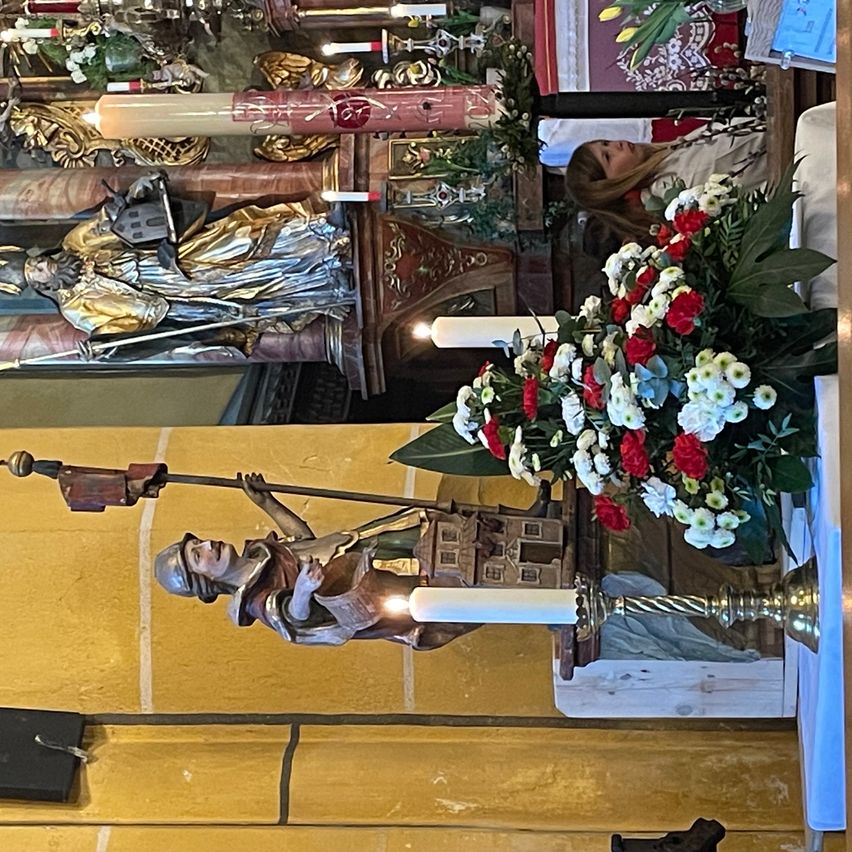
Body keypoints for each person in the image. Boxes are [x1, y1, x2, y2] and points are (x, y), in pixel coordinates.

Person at [0, 175, 352, 344]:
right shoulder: (75, 308)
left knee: (238, 237)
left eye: (37, 262)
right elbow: (127, 327)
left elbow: (115, 225)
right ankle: (326, 279)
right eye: (38, 275)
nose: (45, 267)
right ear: (43, 287)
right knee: (249, 289)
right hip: (173, 297)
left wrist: (123, 205)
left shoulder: (75, 243)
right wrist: (103, 345)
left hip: (173, 256)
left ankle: (319, 230)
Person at [154, 473, 481, 650]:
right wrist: (304, 590)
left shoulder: (260, 553)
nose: (209, 544)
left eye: (200, 542)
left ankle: (519, 524)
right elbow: (296, 619)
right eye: (199, 555)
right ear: (206, 582)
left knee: (436, 527)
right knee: (446, 579)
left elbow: (302, 541)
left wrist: (269, 503)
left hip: (358, 548)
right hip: (362, 589)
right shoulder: (255, 600)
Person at [564, 120, 767, 243]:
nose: (616, 145)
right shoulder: (671, 185)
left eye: (606, 143)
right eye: (608, 157)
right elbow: (753, 149)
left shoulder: (662, 165)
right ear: (612, 186)